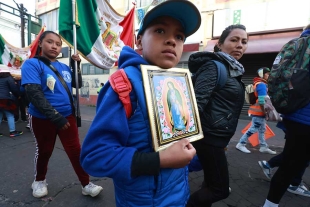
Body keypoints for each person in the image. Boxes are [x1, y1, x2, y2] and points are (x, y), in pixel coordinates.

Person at [80, 1, 201, 206]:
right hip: (141, 200)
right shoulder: (123, 85)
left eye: (179, 36)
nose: (171, 40)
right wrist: (160, 160)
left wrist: (194, 157)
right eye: (160, 30)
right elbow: (95, 156)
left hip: (179, 193)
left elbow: (180, 139)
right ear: (139, 40)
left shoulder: (180, 84)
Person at [21, 31, 103, 199]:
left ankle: (86, 184)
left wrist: (76, 67)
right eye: (50, 42)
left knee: (75, 151)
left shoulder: (64, 67)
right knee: (44, 151)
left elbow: (78, 84)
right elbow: (33, 93)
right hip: (42, 118)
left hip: (67, 116)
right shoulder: (32, 64)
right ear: (41, 43)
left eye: (58, 44)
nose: (54, 46)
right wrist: (54, 116)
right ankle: (39, 181)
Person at [185, 24, 248, 207]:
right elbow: (195, 104)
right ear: (220, 44)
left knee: (210, 183)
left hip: (218, 138)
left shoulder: (233, 70)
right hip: (209, 138)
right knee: (219, 189)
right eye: (234, 40)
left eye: (244, 42)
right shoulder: (215, 66)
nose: (240, 45)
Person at [262, 24, 310, 207]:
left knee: (290, 165)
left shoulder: (299, 44)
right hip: (306, 117)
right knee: (293, 165)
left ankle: (270, 203)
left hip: (295, 115)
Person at [236, 67, 276, 154]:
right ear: (262, 74)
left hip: (258, 111)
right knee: (253, 129)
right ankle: (241, 144)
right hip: (259, 112)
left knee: (262, 129)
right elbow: (262, 100)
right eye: (267, 74)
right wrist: (265, 111)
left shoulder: (259, 83)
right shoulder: (261, 84)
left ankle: (263, 146)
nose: (269, 75)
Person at [0, 65, 23, 137]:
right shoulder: (9, 78)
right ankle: (12, 131)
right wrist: (18, 96)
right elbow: (14, 89)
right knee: (10, 115)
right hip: (6, 99)